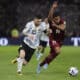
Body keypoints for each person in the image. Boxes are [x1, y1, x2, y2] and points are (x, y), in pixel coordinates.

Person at [36, 1, 66, 73]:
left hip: (60, 41)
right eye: (55, 19)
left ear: (59, 18)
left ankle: (41, 64)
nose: (57, 20)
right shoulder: (51, 21)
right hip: (53, 39)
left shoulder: (63, 22)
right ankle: (46, 63)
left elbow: (63, 28)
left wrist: (55, 25)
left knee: (52, 55)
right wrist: (52, 7)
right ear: (54, 18)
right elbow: (49, 16)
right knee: (58, 51)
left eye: (58, 18)